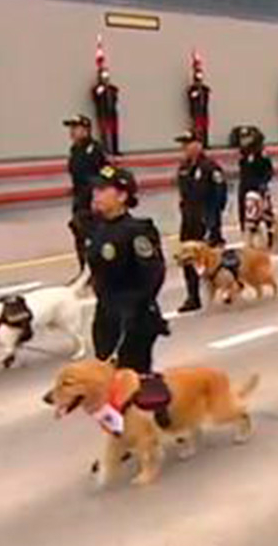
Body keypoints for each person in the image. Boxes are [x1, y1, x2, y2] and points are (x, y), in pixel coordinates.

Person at [85, 165, 168, 374]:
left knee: (132, 381)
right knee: (107, 378)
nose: (96, 195)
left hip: (133, 317)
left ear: (122, 196)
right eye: (95, 189)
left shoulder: (138, 231)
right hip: (106, 314)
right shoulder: (97, 228)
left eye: (103, 190)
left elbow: (153, 273)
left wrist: (133, 308)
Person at [175, 130, 227, 312]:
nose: (185, 148)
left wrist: (213, 219)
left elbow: (220, 193)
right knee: (189, 258)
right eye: (183, 145)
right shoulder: (183, 167)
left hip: (206, 218)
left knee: (212, 259)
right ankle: (193, 296)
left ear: (198, 144)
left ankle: (225, 288)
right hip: (189, 219)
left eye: (188, 144)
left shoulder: (210, 167)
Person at [64, 114, 111, 273]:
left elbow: (107, 172)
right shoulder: (75, 150)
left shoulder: (95, 149)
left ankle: (99, 271)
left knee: (95, 237)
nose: (72, 132)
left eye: (75, 128)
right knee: (80, 235)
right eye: (71, 128)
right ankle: (84, 271)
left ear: (85, 130)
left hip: (93, 200)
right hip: (79, 199)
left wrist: (100, 193)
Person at [235, 125, 274, 240]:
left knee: (265, 211)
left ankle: (270, 233)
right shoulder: (243, 154)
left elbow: (269, 171)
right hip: (245, 185)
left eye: (247, 138)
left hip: (258, 186)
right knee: (244, 211)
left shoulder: (261, 153)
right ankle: (246, 234)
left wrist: (263, 183)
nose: (244, 141)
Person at [92, 68, 121, 156]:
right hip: (103, 113)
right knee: (104, 133)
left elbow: (116, 92)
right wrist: (102, 88)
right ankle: (106, 150)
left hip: (112, 113)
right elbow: (96, 95)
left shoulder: (111, 88)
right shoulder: (98, 88)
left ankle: (115, 150)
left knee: (114, 132)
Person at [187, 71, 212, 146]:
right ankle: (197, 143)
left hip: (204, 111)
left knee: (205, 127)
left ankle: (205, 143)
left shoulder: (204, 89)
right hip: (196, 111)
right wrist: (196, 92)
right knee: (197, 127)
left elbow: (208, 92)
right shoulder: (192, 89)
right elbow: (191, 97)